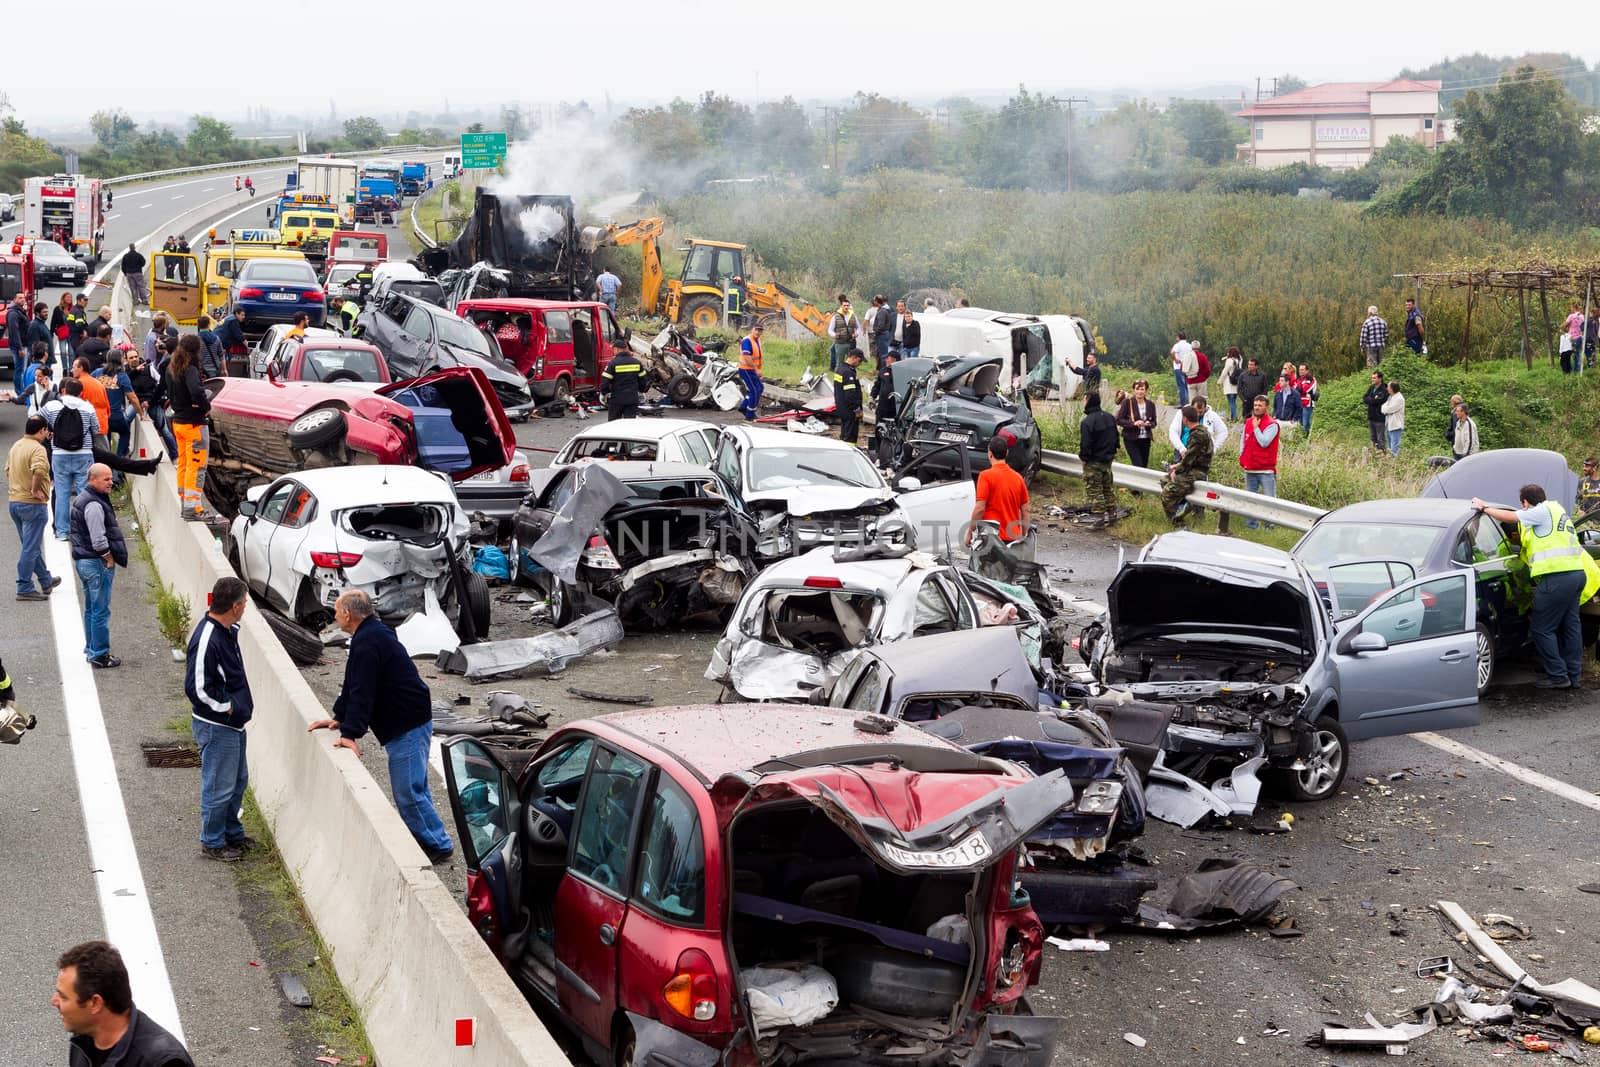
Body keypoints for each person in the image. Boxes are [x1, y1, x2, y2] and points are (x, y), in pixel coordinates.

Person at [308, 589, 455, 863]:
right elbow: (353, 682)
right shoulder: (371, 633)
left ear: (348, 614)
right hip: (408, 719)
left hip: (407, 724)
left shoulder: (367, 642)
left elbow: (363, 691)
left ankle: (438, 844)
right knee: (415, 788)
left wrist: (351, 734)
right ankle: (427, 835)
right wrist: (340, 717)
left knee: (408, 791)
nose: (335, 616)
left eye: (337, 611)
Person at [1473, 485, 1595, 689]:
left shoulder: (1541, 511)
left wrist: (1485, 508)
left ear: (1525, 503)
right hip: (1576, 574)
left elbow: (1512, 518)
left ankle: (1558, 676)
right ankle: (1574, 676)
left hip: (1557, 578)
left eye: (1524, 506)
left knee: (1541, 628)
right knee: (1571, 626)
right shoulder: (1557, 509)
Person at [186, 577, 255, 861]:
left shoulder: (227, 631)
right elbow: (196, 688)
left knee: (237, 782)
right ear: (236, 607)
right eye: (246, 603)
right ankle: (213, 842)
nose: (246, 607)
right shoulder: (208, 638)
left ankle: (231, 833)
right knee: (218, 786)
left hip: (233, 724)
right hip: (218, 726)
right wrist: (226, 707)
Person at [54, 940, 194, 1066]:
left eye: (63, 997)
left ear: (95, 1003)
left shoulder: (162, 1062)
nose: (54, 1001)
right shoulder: (83, 1039)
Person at [70, 463, 125, 668]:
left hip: (83, 561)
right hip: (95, 562)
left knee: (91, 608)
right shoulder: (94, 504)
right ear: (92, 479)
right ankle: (100, 655)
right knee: (100, 610)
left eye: (111, 478)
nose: (111, 482)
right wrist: (109, 558)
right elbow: (99, 541)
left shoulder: (84, 498)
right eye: (106, 479)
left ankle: (92, 648)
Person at [9, 415, 60, 601]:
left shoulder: (16, 446)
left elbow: (8, 470)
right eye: (47, 431)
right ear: (41, 431)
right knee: (30, 548)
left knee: (29, 545)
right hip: (32, 504)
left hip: (15, 502)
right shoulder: (38, 449)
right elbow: (39, 470)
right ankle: (24, 586)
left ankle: (45, 580)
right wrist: (34, 489)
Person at [41, 379, 97, 540]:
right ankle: (84, 531)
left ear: (64, 390)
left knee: (61, 493)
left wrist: (48, 431)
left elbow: (36, 419)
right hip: (84, 454)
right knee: (84, 494)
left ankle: (62, 531)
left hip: (59, 454)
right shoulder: (87, 407)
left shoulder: (52, 406)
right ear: (81, 392)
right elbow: (97, 429)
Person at [167, 335, 211, 520]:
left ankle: (186, 503)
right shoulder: (190, 369)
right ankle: (191, 510)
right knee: (197, 466)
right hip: (193, 424)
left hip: (178, 422)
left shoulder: (171, 368)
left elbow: (169, 393)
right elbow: (196, 390)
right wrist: (205, 406)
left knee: (183, 464)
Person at [969, 434, 1031, 544]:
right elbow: (1025, 510)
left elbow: (980, 509)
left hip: (991, 538)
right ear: (1007, 453)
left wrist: (970, 532)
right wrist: (1023, 535)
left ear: (990, 454)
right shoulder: (1018, 478)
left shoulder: (985, 476)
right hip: (1012, 538)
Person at [1160, 405, 1212, 524]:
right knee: (1164, 480)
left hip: (1197, 472)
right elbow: (1190, 458)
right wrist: (1176, 466)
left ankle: (1177, 522)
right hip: (1192, 469)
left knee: (1167, 493)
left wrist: (1176, 471)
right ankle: (1182, 505)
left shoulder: (1197, 435)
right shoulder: (1199, 432)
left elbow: (1190, 460)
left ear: (1185, 419)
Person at [1239, 394, 1280, 530]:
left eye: (1260, 405)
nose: (1256, 408)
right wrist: (1242, 456)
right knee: (1251, 500)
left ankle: (1269, 527)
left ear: (1266, 407)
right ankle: (1252, 526)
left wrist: (1256, 428)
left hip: (1265, 469)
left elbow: (1264, 442)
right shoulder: (1249, 421)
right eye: (1255, 405)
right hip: (1250, 468)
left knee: (1269, 500)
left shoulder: (1272, 425)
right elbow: (1243, 441)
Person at [1079, 392, 1119, 516]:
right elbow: (1116, 438)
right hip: (1108, 459)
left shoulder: (1088, 422)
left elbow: (1086, 444)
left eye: (1084, 399)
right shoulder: (1110, 417)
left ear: (1088, 400)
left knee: (1095, 490)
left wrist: (1084, 459)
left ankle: (1099, 517)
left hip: (1093, 461)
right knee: (1108, 488)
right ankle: (1112, 514)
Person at [1167, 393, 1228, 459]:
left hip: (1202, 454)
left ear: (1205, 408)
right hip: (1183, 450)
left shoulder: (1212, 416)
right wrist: (1181, 448)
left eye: (1201, 412)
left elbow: (1223, 431)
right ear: (1191, 407)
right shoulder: (1182, 413)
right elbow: (1173, 431)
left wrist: (1214, 448)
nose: (1198, 414)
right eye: (1196, 411)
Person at [1115, 378, 1157, 468]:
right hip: (1131, 439)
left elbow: (1154, 422)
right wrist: (1134, 423)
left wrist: (1149, 424)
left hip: (1146, 439)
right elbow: (1118, 420)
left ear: (1146, 390)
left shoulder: (1150, 404)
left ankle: (1141, 481)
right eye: (1137, 389)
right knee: (1138, 464)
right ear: (1134, 390)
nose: (1140, 392)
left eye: (1142, 389)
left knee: (1144, 466)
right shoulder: (1127, 402)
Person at [73, 357, 111, 452]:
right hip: (101, 423)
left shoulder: (79, 384)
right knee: (105, 454)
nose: (71, 370)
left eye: (74, 367)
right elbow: (107, 408)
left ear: (81, 368)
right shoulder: (98, 383)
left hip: (87, 425)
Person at [834, 348, 865, 444]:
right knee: (850, 436)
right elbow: (850, 395)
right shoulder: (848, 373)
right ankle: (850, 453)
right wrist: (858, 410)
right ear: (854, 358)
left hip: (842, 408)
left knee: (845, 433)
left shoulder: (840, 369)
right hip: (850, 410)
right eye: (859, 361)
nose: (860, 364)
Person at [825, 296, 861, 373]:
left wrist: (857, 333)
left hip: (851, 342)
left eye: (847, 305)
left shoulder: (853, 316)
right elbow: (830, 330)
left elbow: (858, 327)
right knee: (840, 363)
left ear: (849, 306)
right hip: (840, 343)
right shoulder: (835, 317)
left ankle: (852, 377)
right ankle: (838, 379)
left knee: (852, 362)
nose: (846, 307)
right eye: (844, 305)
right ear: (841, 306)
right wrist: (834, 335)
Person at [737, 323, 764, 421]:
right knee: (754, 390)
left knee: (760, 388)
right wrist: (756, 369)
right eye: (756, 329)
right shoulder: (747, 340)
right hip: (746, 369)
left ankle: (744, 407)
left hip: (751, 369)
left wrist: (757, 369)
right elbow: (747, 356)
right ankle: (750, 415)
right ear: (752, 330)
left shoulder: (757, 340)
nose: (757, 332)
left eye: (760, 330)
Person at [7, 293, 30, 394]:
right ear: (14, 299)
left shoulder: (20, 311)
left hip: (24, 344)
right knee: (19, 370)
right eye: (20, 298)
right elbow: (14, 331)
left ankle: (21, 392)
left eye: (23, 298)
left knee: (22, 369)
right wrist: (20, 347)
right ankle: (20, 393)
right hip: (19, 346)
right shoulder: (13, 313)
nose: (22, 299)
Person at [867, 294, 894, 371]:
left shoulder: (882, 311)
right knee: (880, 353)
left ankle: (883, 370)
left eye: (874, 300)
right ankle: (880, 369)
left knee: (883, 354)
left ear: (876, 301)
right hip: (883, 334)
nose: (873, 301)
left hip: (882, 335)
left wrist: (875, 332)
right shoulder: (882, 310)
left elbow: (881, 325)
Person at [1169, 332, 1196, 406]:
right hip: (1188, 367)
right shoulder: (1189, 345)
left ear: (1178, 337)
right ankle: (1190, 402)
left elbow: (1172, 352)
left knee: (1181, 386)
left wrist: (1175, 359)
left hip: (1178, 367)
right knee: (1188, 385)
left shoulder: (1177, 345)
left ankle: (1183, 403)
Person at [1381, 379, 1405, 456]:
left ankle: (1394, 464)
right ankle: (1390, 462)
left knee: (1394, 448)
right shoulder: (1391, 397)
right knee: (1390, 447)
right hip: (1389, 425)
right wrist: (1385, 409)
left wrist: (1385, 409)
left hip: (1395, 426)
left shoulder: (1399, 398)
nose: (1387, 388)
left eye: (1388, 386)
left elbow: (1389, 409)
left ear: (1392, 388)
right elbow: (1383, 406)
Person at [1219, 347, 1242, 419]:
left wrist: (1220, 381)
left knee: (1231, 402)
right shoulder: (1239, 360)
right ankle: (1232, 416)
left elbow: (1225, 371)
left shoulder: (1229, 360)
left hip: (1229, 383)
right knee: (1233, 401)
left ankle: (1234, 417)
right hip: (1236, 382)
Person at [1296, 363, 1318, 437]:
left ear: (1307, 370)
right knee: (1300, 423)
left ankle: (1307, 439)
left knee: (1305, 423)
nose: (1300, 371)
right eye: (1299, 370)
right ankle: (1302, 439)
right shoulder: (1298, 380)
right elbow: (1294, 390)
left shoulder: (1311, 378)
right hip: (1299, 404)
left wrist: (1299, 389)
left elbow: (1306, 389)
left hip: (1307, 404)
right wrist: (1299, 389)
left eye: (1302, 369)